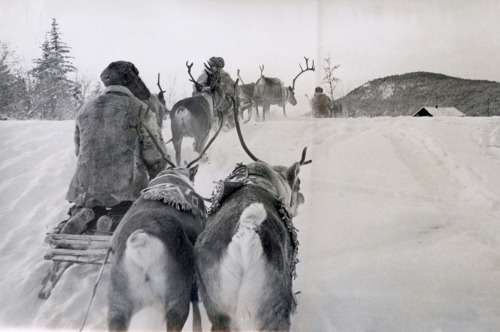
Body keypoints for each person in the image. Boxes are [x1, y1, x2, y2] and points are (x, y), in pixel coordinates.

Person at [62, 61, 167, 235]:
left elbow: (78, 150)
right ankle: (114, 220)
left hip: (86, 187)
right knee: (135, 209)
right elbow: (154, 154)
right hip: (124, 187)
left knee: (91, 201)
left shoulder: (85, 108)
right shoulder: (140, 109)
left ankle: (84, 213)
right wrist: (158, 177)